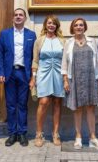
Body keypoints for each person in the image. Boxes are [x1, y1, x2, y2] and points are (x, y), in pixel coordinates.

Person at [61, 17, 98, 150]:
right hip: (74, 79)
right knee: (77, 108)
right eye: (76, 25)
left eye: (81, 25)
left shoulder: (92, 41)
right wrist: (65, 80)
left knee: (91, 108)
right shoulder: (68, 42)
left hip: (91, 78)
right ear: (72, 28)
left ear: (84, 27)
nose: (79, 27)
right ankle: (78, 137)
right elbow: (64, 62)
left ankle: (92, 138)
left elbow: (97, 60)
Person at [0, 8, 36, 147]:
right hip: (10, 73)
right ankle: (12, 133)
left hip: (24, 73)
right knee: (11, 105)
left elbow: (34, 57)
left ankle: (22, 133)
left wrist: (33, 77)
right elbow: (0, 54)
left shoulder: (31, 34)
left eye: (21, 15)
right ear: (13, 18)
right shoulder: (5, 34)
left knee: (22, 105)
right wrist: (0, 72)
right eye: (16, 15)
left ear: (25, 18)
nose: (18, 17)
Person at [29, 15, 65, 147]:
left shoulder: (62, 41)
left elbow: (66, 60)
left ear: (57, 26)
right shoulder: (39, 41)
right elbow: (35, 60)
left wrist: (66, 78)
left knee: (57, 102)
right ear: (45, 25)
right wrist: (33, 77)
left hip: (59, 73)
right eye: (49, 23)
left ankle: (56, 133)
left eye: (54, 24)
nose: (51, 25)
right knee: (43, 101)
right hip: (43, 73)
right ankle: (39, 133)